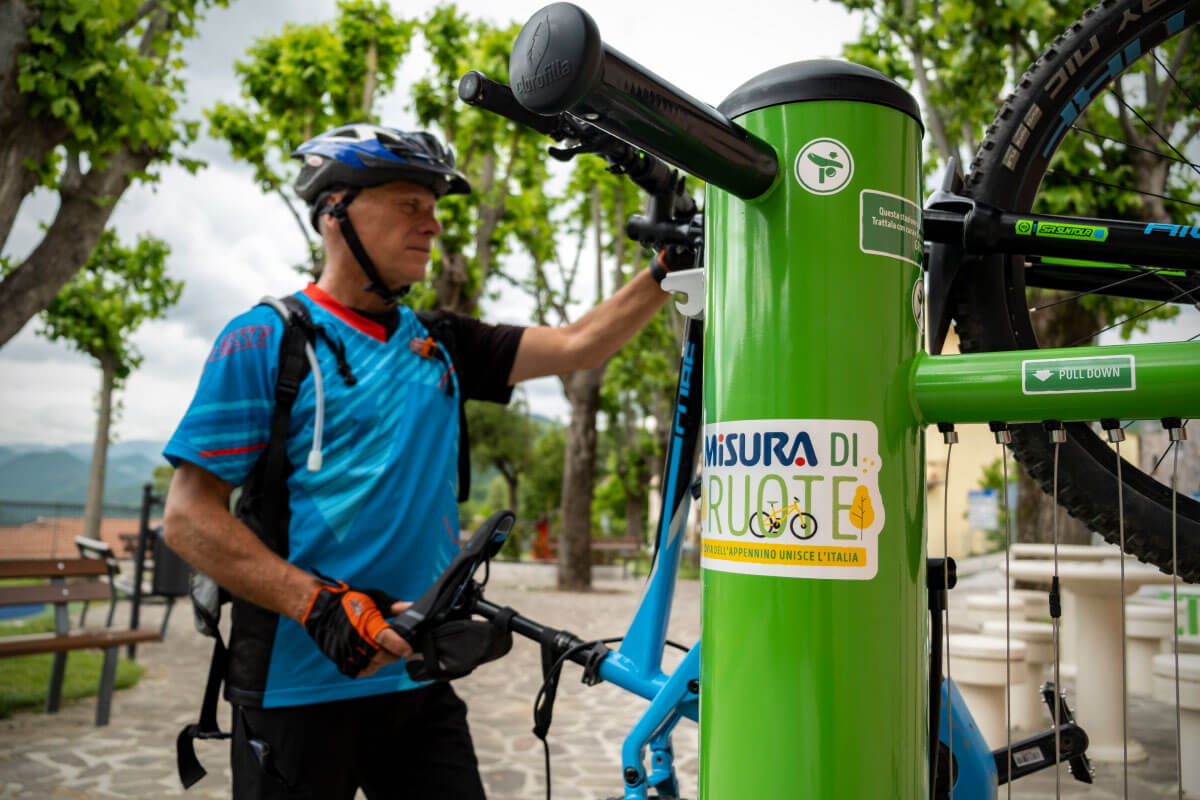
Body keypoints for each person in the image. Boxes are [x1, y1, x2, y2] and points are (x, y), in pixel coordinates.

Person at [162, 123, 676, 799]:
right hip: (295, 687)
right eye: (410, 204)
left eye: (434, 209)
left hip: (414, 677)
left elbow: (579, 344)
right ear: (335, 213)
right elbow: (188, 519)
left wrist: (666, 270)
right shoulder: (267, 340)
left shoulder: (441, 342)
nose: (431, 225)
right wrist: (316, 604)